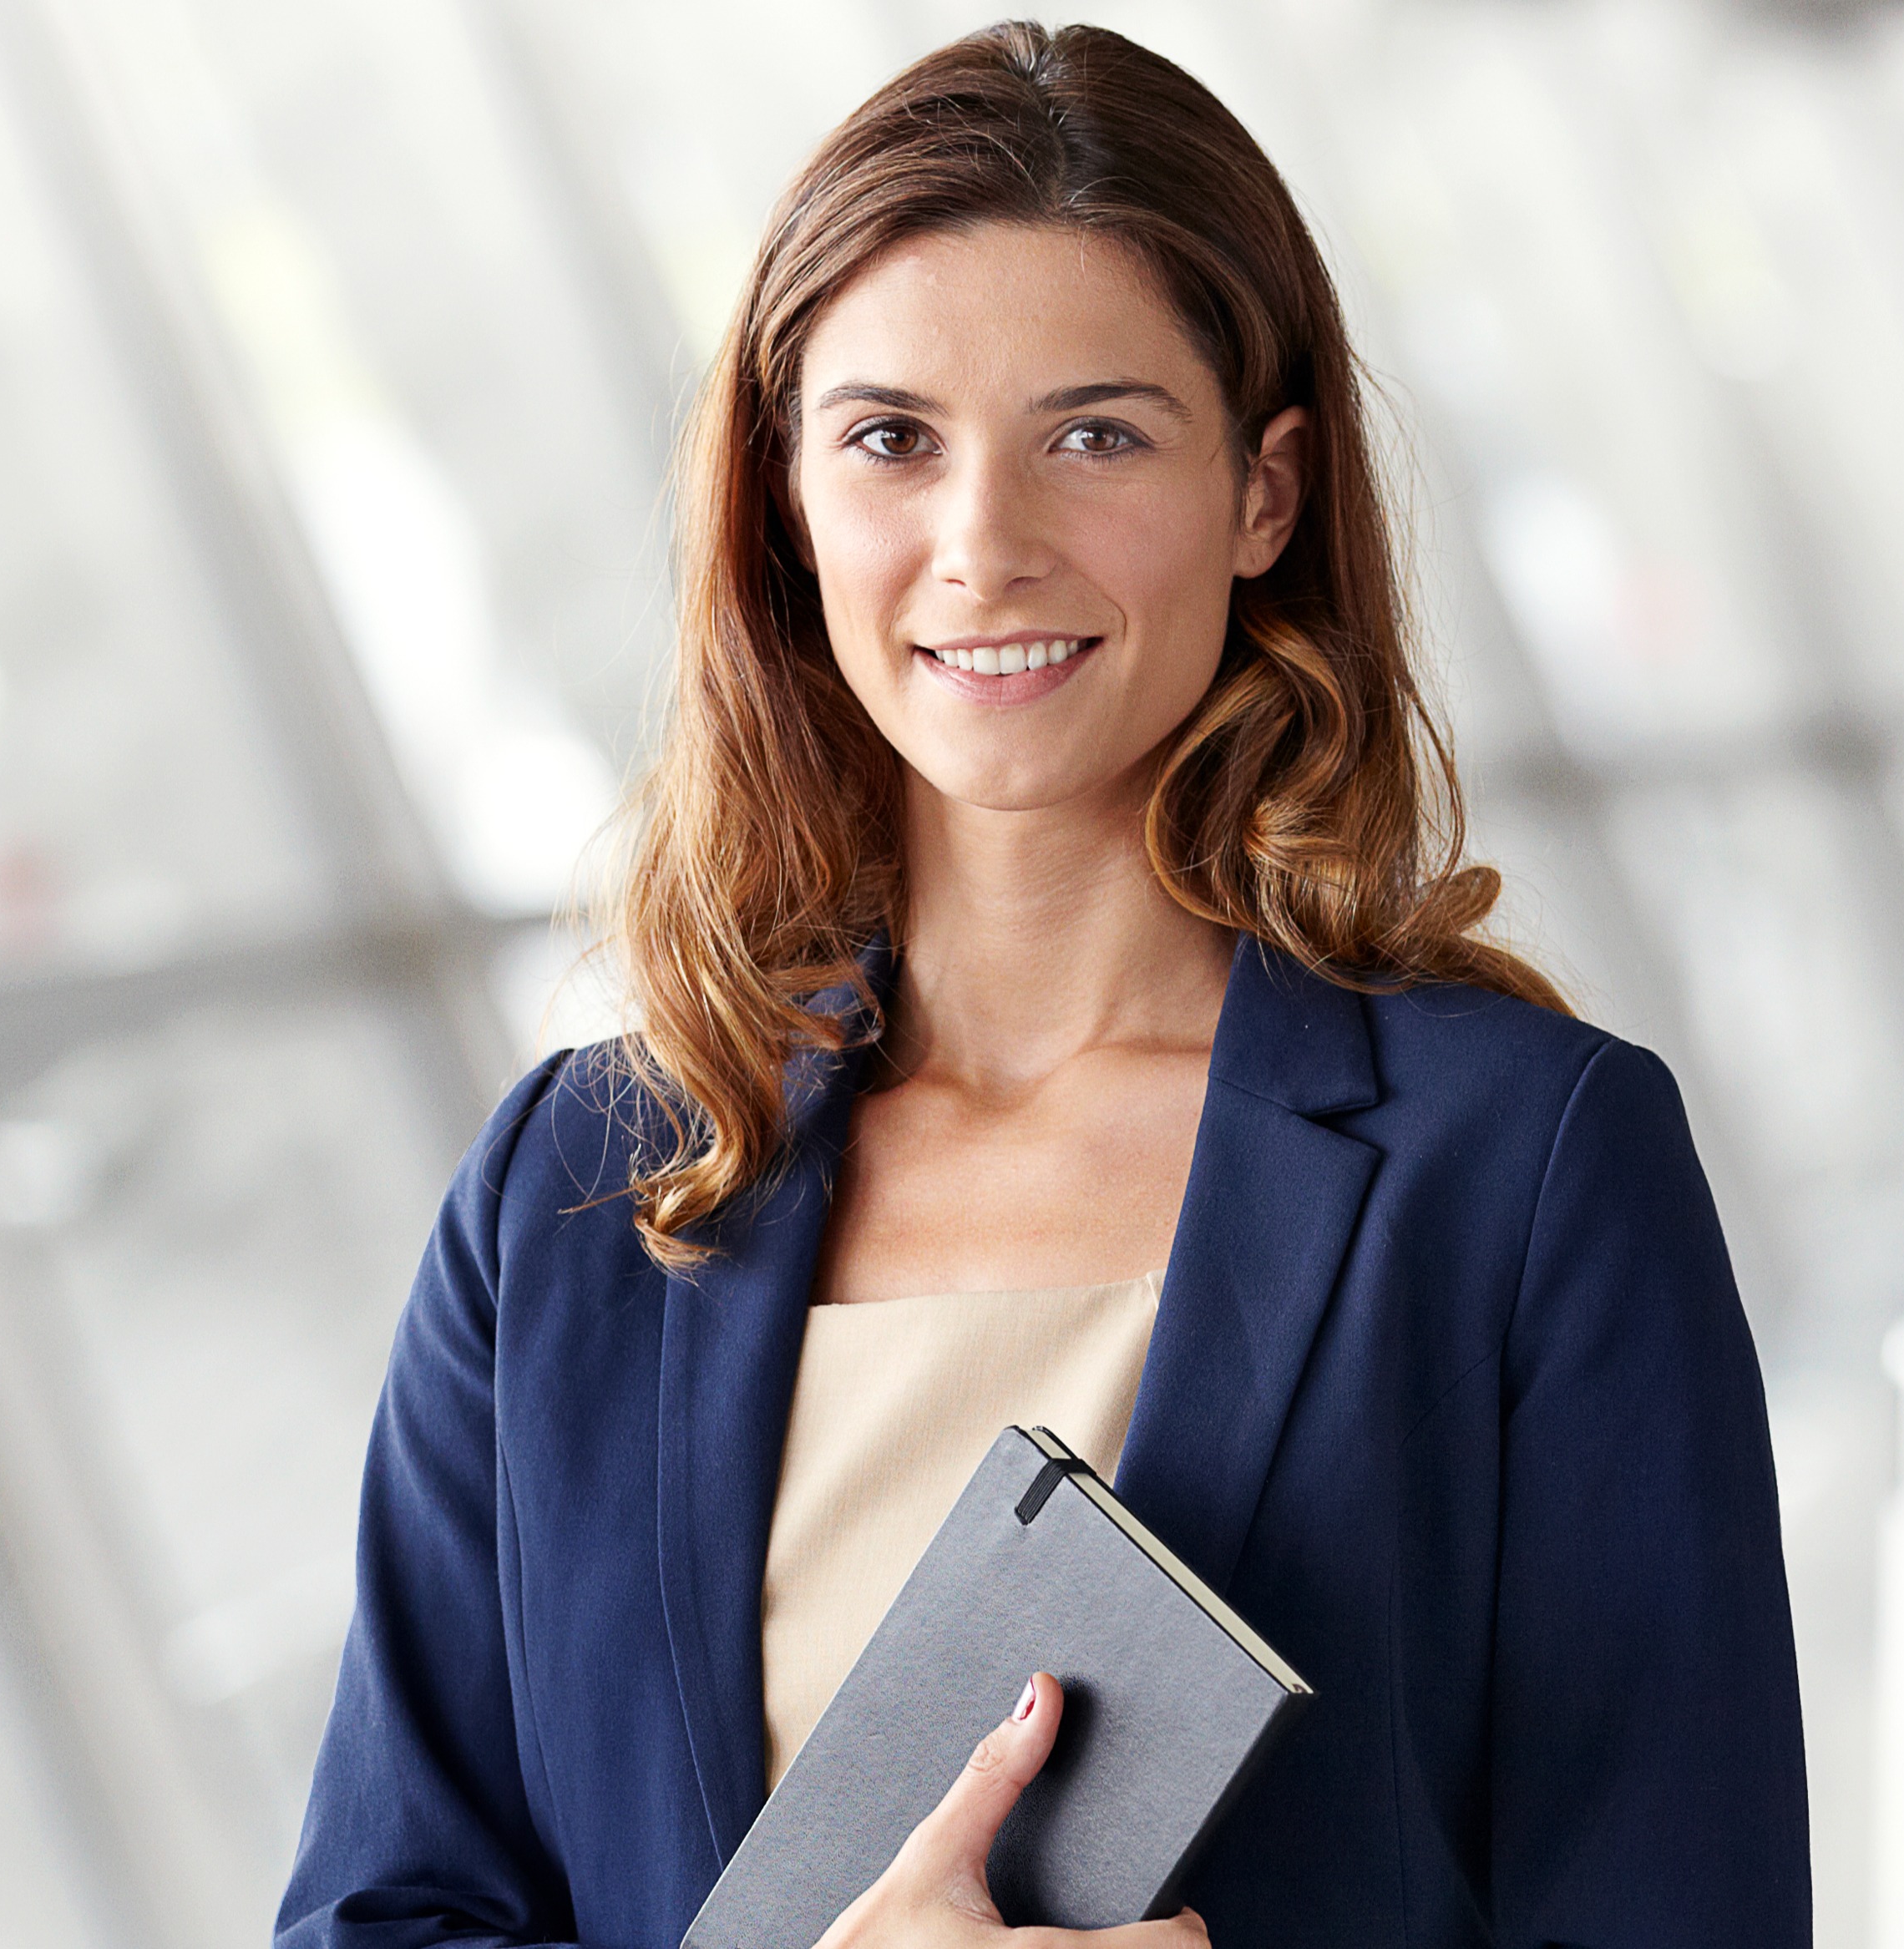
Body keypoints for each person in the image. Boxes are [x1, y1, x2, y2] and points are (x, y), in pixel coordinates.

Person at [276, 22, 1803, 1947]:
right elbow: (383, 1915)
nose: (982, 545)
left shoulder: (1515, 1168)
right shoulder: (572, 1192)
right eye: (889, 440)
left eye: (1095, 434)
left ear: (1262, 496)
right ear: (782, 502)